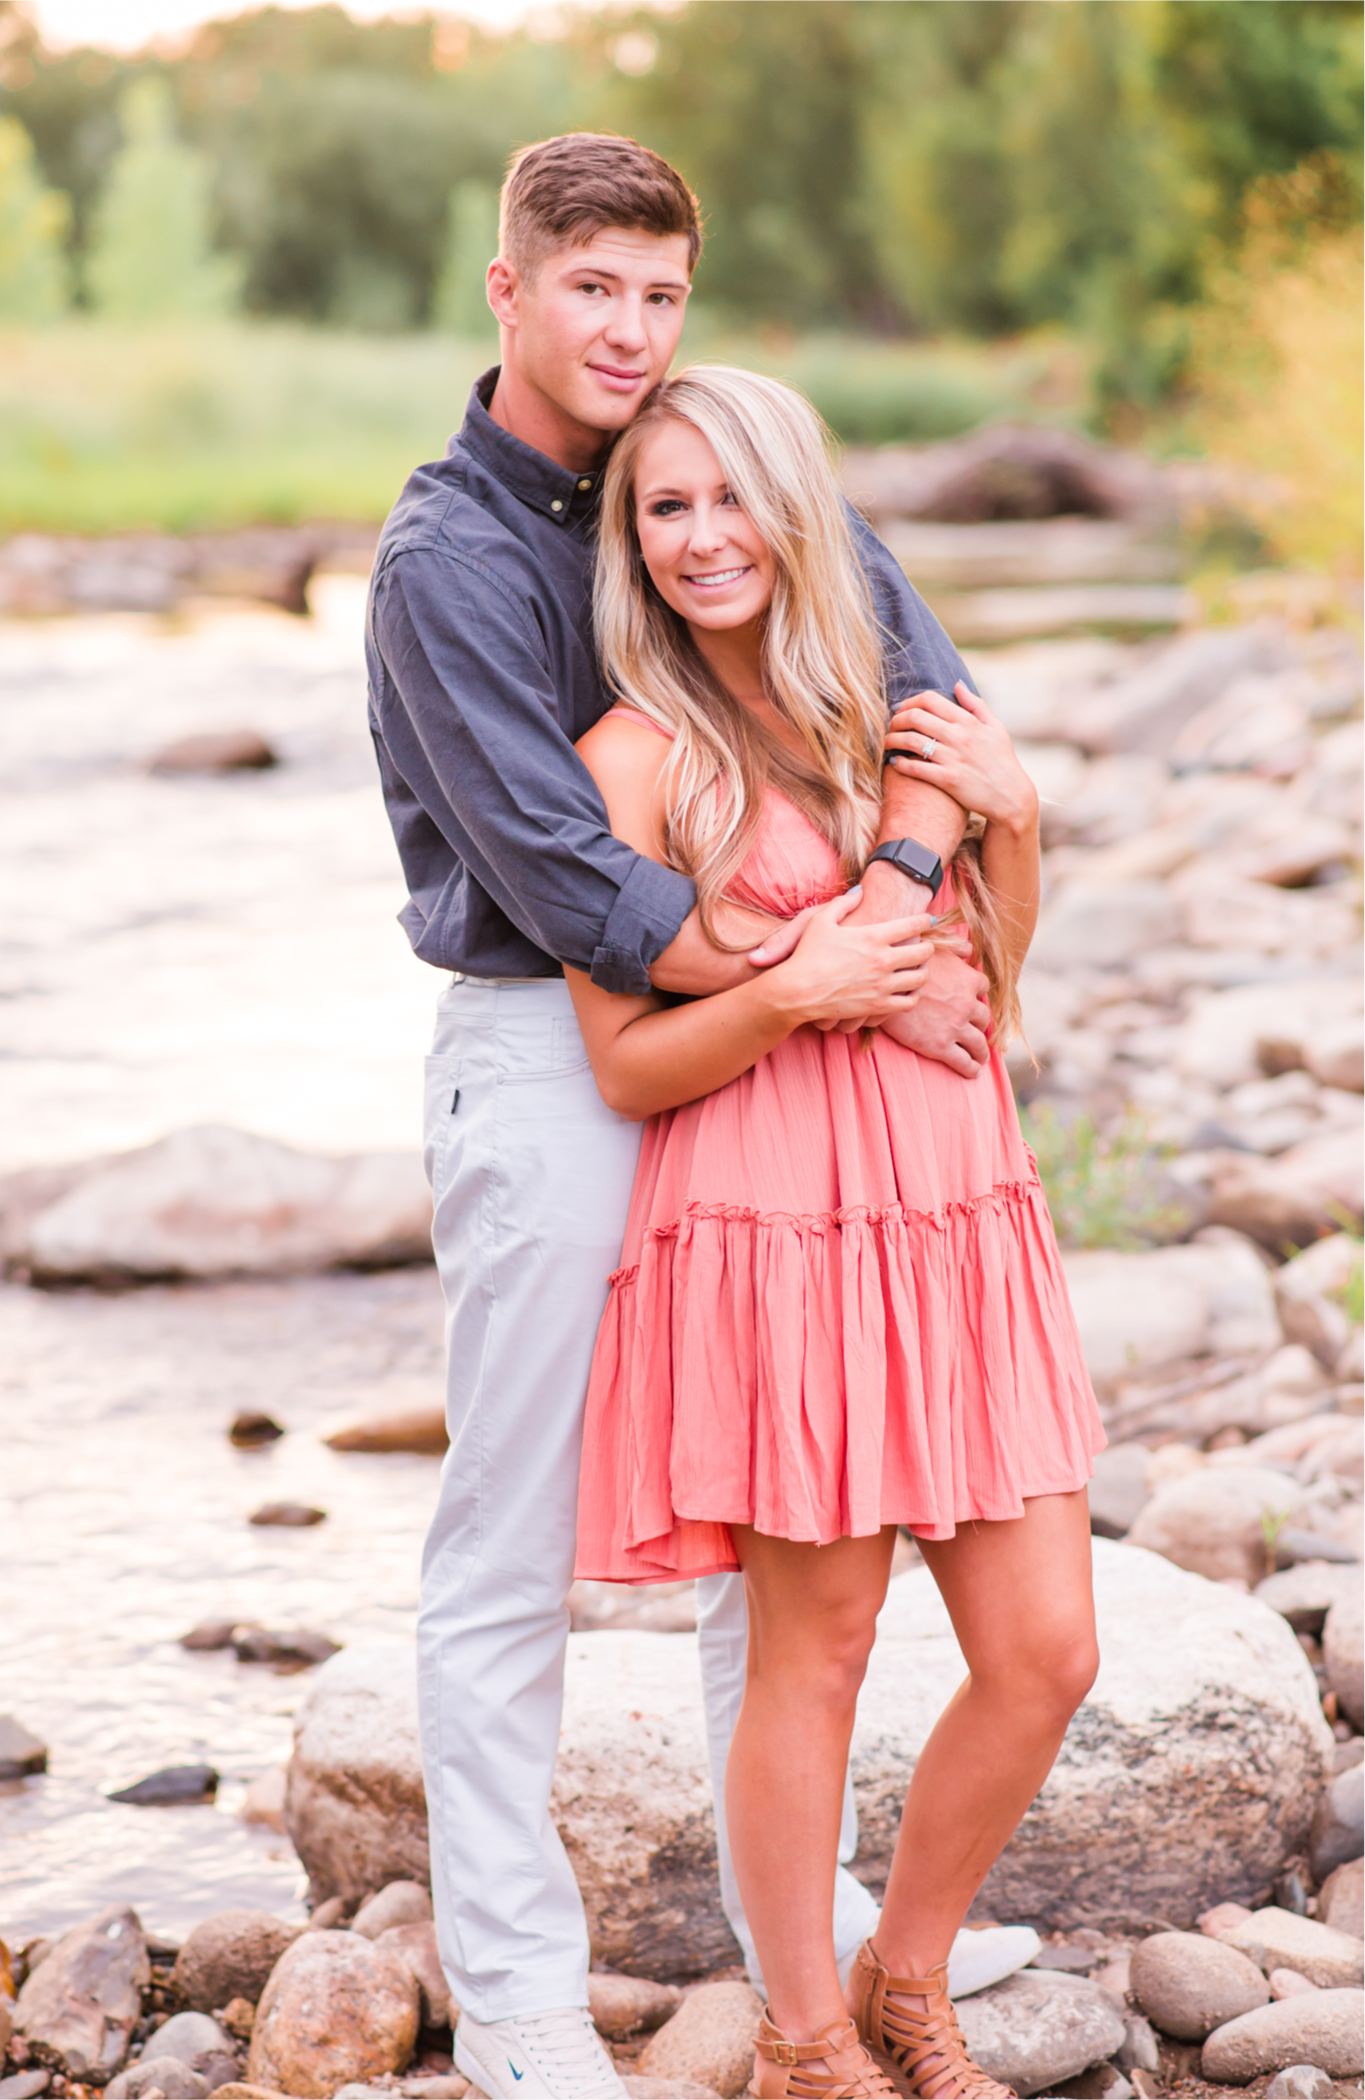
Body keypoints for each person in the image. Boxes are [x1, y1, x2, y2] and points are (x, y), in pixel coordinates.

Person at [367, 133, 1034, 2100]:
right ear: (508, 291)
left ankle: (805, 1953)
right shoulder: (449, 559)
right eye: (592, 291)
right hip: (556, 1051)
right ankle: (511, 1999)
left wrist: (906, 912)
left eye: (659, 292)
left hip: (777, 1034)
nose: (629, 331)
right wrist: (814, 977)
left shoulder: (710, 459)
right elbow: (574, 885)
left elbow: (929, 695)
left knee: (782, 1518)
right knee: (512, 1543)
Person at [566, 364, 1105, 2100]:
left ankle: (907, 1973)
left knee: (1047, 1652)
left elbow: (990, 971)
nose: (702, 536)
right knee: (823, 1652)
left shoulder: (899, 712)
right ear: (631, 544)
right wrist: (803, 992)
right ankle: (807, 2038)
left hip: (954, 1216)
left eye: (731, 498)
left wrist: (1012, 810)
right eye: (665, 508)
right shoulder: (635, 763)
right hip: (779, 1233)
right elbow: (630, 1066)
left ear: (802, 509)